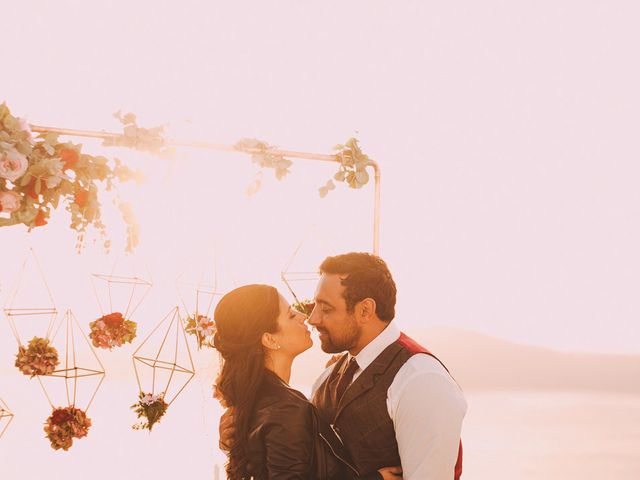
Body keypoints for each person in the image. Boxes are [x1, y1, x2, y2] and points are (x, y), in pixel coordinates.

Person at [213, 284, 402, 480]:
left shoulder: (258, 400)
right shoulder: (287, 408)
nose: (305, 317)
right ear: (269, 339)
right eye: (290, 315)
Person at [309, 253, 467, 480]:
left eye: (326, 309)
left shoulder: (421, 380)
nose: (313, 319)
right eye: (313, 305)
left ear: (365, 310)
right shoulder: (326, 378)